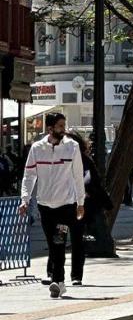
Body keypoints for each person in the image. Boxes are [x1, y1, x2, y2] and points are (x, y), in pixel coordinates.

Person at [19, 112, 86, 299]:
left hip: (66, 205)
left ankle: (58, 281)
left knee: (59, 241)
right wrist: (25, 200)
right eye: (60, 126)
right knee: (52, 243)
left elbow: (78, 176)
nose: (63, 130)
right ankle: (59, 281)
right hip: (45, 204)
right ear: (49, 129)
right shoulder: (37, 148)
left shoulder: (72, 147)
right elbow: (29, 176)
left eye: (64, 126)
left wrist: (80, 203)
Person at [64, 132, 112, 284]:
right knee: (57, 241)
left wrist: (91, 194)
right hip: (61, 206)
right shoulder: (58, 161)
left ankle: (76, 276)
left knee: (77, 241)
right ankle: (53, 273)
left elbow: (94, 183)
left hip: (80, 207)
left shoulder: (86, 162)